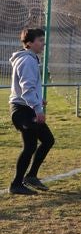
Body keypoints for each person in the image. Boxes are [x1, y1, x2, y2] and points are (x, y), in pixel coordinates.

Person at [9, 28, 54, 195]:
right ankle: (16, 184)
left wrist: (37, 100)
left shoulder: (31, 59)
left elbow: (27, 89)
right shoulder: (27, 60)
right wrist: (37, 108)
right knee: (30, 146)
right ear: (29, 43)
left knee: (48, 140)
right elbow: (26, 88)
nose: (43, 43)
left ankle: (31, 176)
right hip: (22, 111)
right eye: (40, 40)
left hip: (26, 107)